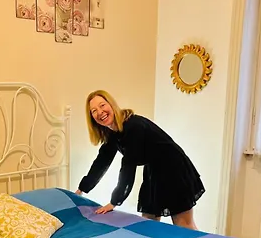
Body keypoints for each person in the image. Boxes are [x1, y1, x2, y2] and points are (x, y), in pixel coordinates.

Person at [75, 90, 205, 230]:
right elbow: (101, 162)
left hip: (174, 169)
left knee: (183, 226)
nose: (100, 112)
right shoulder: (112, 133)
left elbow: (128, 166)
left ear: (111, 105)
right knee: (148, 223)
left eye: (102, 105)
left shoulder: (133, 126)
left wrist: (114, 201)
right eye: (94, 111)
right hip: (154, 171)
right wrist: (81, 190)